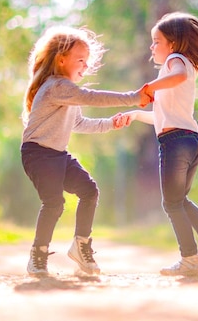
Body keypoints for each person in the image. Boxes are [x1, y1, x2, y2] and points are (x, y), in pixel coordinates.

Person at [20, 26, 151, 277]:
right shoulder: (57, 86)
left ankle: (80, 246)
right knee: (54, 203)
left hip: (57, 154)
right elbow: (91, 97)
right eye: (81, 60)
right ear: (61, 60)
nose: (86, 66)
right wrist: (134, 97)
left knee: (89, 191)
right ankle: (37, 256)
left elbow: (79, 123)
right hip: (37, 153)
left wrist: (111, 123)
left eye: (87, 61)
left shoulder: (67, 93)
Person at [114, 12, 198, 277]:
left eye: (157, 41)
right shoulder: (178, 68)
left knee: (171, 203)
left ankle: (190, 258)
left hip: (175, 143)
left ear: (174, 44)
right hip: (190, 140)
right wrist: (134, 115)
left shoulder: (175, 61)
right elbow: (162, 116)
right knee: (179, 199)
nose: (152, 47)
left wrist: (149, 87)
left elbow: (176, 76)